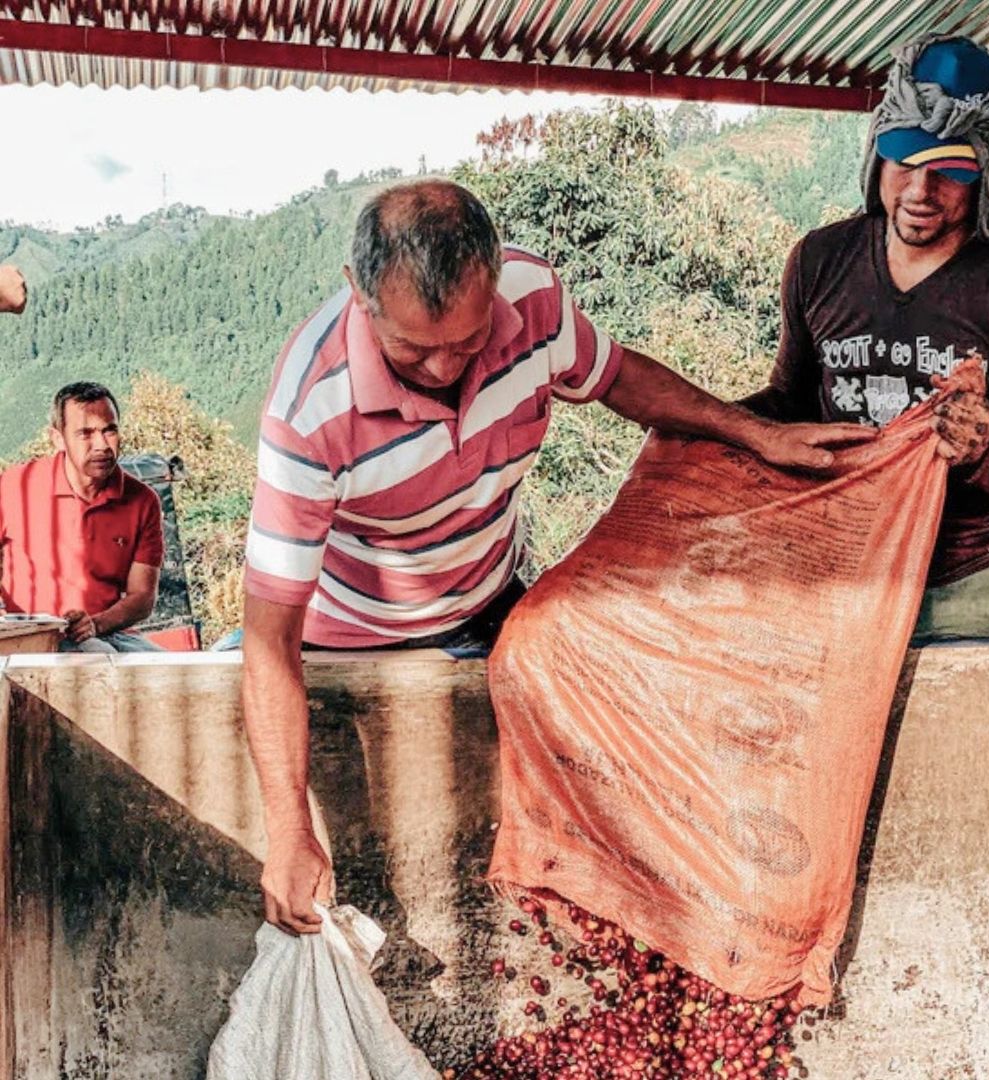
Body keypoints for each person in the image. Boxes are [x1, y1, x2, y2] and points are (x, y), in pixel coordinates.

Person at [242, 179, 876, 933]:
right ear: (359, 293)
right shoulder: (311, 406)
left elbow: (617, 379)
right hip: (352, 636)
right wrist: (287, 832)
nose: (446, 371)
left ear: (493, 279)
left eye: (469, 343)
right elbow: (269, 639)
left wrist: (752, 431)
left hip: (487, 600)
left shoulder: (532, 297)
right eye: (413, 348)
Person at [743, 34, 989, 643]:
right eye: (905, 161)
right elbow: (790, 400)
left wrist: (985, 443)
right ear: (877, 156)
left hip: (967, 591)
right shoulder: (822, 260)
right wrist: (705, 423)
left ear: (983, 171)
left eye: (950, 171)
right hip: (835, 578)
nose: (922, 193)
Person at [0, 382, 165, 652]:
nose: (101, 445)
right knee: (98, 663)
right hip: (29, 635)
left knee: (170, 673)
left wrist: (95, 625)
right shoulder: (13, 486)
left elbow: (142, 597)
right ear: (58, 438)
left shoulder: (142, 500)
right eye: (85, 433)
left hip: (109, 632)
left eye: (109, 430)